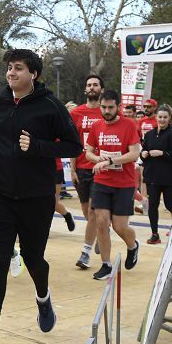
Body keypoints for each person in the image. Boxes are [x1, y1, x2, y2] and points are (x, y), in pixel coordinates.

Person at [0, 49, 81, 344]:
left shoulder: (50, 106)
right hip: (0, 195)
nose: (11, 73)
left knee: (34, 259)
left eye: (18, 68)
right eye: (9, 67)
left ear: (33, 74)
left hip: (37, 197)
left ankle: (43, 298)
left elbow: (74, 146)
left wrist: (38, 147)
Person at [85, 90, 141, 280]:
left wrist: (109, 161)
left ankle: (133, 246)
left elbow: (134, 154)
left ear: (118, 106)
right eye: (103, 107)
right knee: (101, 222)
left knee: (119, 226)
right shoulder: (97, 126)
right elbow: (89, 153)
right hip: (102, 181)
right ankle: (106, 265)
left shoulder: (129, 125)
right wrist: (96, 158)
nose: (107, 111)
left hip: (124, 183)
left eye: (110, 107)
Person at [70, 75, 105, 270]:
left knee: (93, 212)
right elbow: (74, 143)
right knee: (87, 213)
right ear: (85, 89)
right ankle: (101, 233)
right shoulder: (76, 113)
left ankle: (85, 253)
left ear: (101, 88)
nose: (92, 87)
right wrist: (73, 169)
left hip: (101, 168)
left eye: (95, 84)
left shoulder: (106, 112)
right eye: (89, 84)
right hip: (82, 168)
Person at [139, 105, 172, 245]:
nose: (162, 120)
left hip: (170, 177)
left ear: (170, 118)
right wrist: (143, 154)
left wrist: (163, 153)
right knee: (152, 205)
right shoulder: (150, 134)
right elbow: (144, 150)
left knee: (171, 205)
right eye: (160, 117)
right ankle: (154, 234)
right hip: (153, 176)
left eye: (165, 117)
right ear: (156, 118)